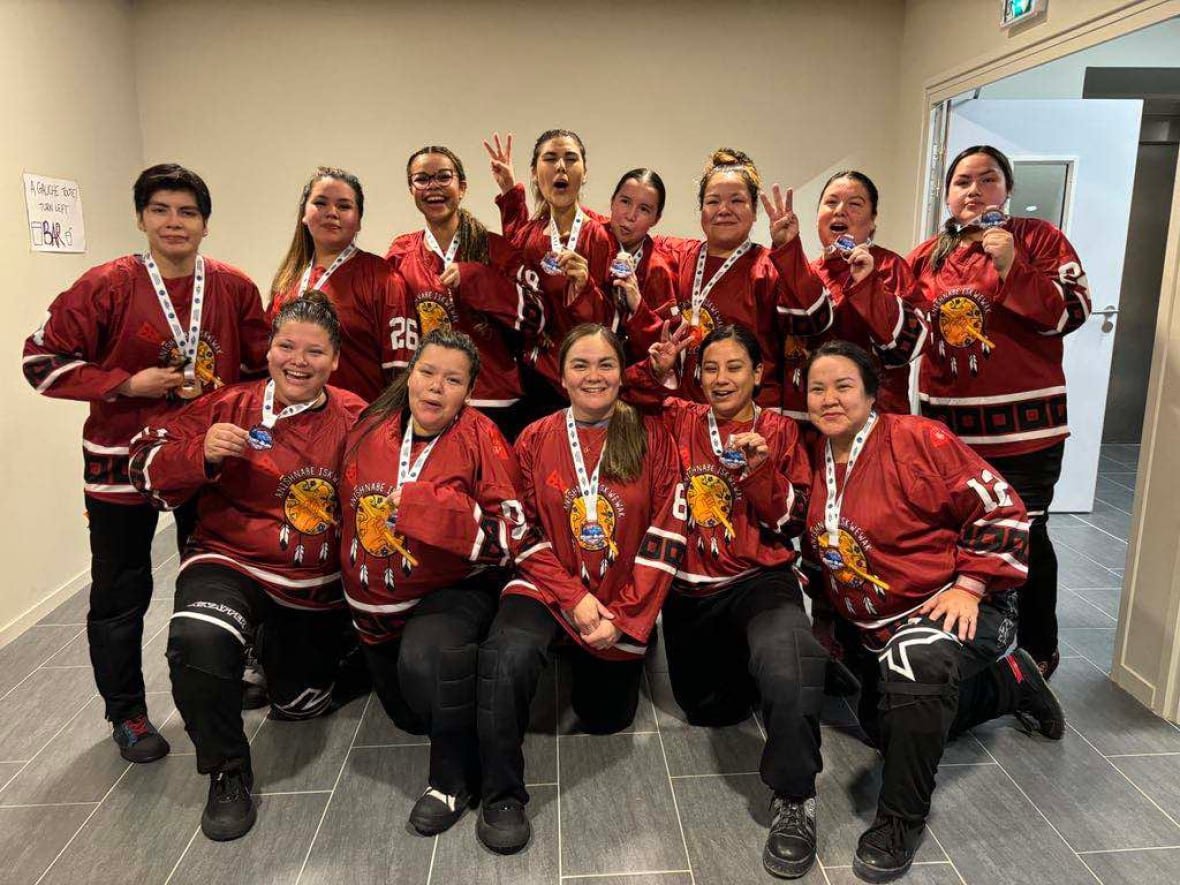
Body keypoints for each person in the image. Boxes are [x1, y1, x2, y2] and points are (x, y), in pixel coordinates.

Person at [22, 163, 269, 764]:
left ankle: (216, 679)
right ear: (141, 218)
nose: (174, 222)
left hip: (199, 460)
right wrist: (128, 382)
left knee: (214, 575)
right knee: (121, 589)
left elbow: (263, 369)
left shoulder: (234, 286)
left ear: (206, 224)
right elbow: (40, 362)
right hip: (118, 463)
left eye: (187, 212)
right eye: (161, 210)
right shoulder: (106, 285)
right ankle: (127, 711)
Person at [803, 340, 1065, 883]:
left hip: (965, 606)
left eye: (843, 386)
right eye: (817, 388)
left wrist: (970, 584)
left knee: (914, 666)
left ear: (873, 393)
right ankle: (1010, 685)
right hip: (878, 624)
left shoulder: (919, 439)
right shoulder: (815, 455)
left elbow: (1004, 506)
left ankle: (900, 821)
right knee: (889, 726)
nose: (829, 398)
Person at [129, 291, 365, 841]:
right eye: (286, 346)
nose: (298, 361)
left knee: (300, 706)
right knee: (197, 640)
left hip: (312, 587)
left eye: (314, 351)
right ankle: (227, 771)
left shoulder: (356, 416)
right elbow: (141, 465)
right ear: (269, 349)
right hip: (228, 560)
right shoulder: (227, 404)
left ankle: (308, 662)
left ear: (334, 360)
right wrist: (200, 453)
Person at [476, 324, 686, 855]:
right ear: (562, 376)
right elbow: (518, 528)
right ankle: (501, 793)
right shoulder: (534, 436)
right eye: (580, 365)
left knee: (606, 720)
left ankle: (597, 650)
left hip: (620, 596)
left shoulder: (651, 434)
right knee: (509, 655)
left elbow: (666, 532)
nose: (594, 376)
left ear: (622, 374)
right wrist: (573, 597)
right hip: (548, 584)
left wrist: (625, 615)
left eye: (605, 365)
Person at [632, 323, 827, 879]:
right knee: (712, 712)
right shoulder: (682, 418)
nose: (721, 379)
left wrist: (761, 467)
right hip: (691, 591)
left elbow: (789, 521)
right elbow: (634, 392)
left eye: (734, 367)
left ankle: (794, 798)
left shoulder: (782, 430)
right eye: (710, 368)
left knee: (787, 664)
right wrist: (658, 364)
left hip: (757, 579)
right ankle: (777, 679)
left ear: (758, 373)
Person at [907, 145, 1092, 680]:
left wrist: (1012, 265)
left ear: (1006, 190)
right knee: (959, 541)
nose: (973, 190)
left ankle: (1035, 653)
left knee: (1024, 536)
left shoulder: (1038, 240)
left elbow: (1072, 312)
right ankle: (969, 650)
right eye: (963, 181)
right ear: (946, 193)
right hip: (951, 431)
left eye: (987, 180)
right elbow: (910, 335)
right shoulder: (928, 256)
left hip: (1027, 430)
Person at [339, 328, 526, 837]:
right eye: (426, 373)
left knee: (430, 661)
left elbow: (510, 533)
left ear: (469, 391)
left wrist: (429, 508)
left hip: (451, 591)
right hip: (374, 609)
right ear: (408, 375)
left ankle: (451, 781)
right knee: (408, 715)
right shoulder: (366, 424)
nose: (435, 388)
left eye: (453, 380)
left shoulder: (481, 435)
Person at [655, 148, 833, 409]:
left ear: (754, 210)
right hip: (687, 415)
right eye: (713, 201)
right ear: (701, 209)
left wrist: (788, 250)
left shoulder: (770, 266)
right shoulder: (675, 256)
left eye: (737, 201)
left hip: (752, 419)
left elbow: (814, 321)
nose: (724, 209)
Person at [386, 145, 542, 440]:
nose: (433, 187)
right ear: (411, 190)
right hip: (431, 404)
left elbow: (537, 316)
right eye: (422, 179)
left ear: (462, 187)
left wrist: (476, 278)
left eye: (443, 177)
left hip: (494, 401)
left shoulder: (495, 250)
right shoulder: (401, 254)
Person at [762, 172, 927, 420]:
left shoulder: (889, 267)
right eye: (831, 202)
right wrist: (787, 249)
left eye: (855, 204)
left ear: (872, 221)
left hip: (871, 422)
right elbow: (798, 330)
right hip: (805, 422)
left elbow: (906, 347)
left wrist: (868, 285)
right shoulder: (803, 270)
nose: (840, 210)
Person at [484, 130, 617, 417]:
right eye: (550, 158)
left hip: (585, 381)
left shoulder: (601, 235)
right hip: (534, 378)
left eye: (571, 159)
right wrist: (509, 190)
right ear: (534, 172)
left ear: (584, 172)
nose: (560, 167)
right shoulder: (529, 234)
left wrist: (585, 287)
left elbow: (613, 320)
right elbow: (514, 258)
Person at [269, 166, 417, 402]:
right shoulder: (287, 283)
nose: (332, 212)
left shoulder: (383, 280)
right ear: (304, 215)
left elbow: (403, 373)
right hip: (293, 427)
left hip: (358, 427)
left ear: (358, 220)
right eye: (321, 203)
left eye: (344, 206)